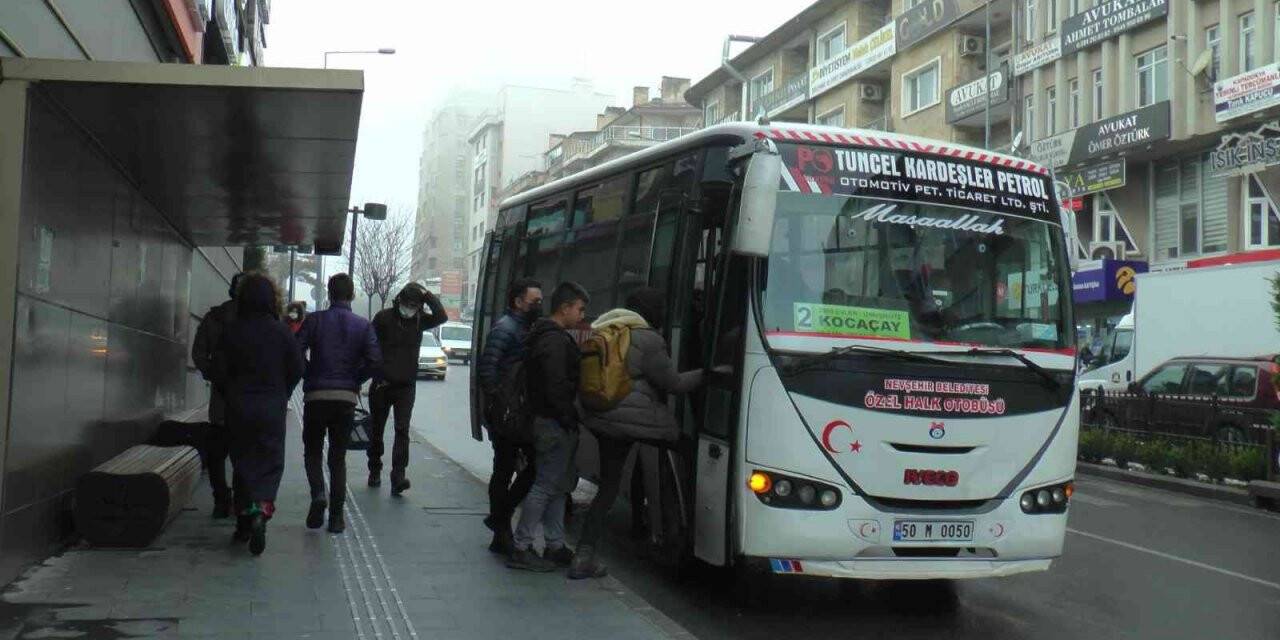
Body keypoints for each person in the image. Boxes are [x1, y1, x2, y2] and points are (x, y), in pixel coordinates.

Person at [570, 287, 705, 579]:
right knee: (687, 448)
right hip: (635, 421)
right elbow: (674, 384)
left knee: (608, 487)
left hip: (602, 418)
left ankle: (584, 553)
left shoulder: (606, 330)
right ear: (651, 310)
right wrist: (709, 373)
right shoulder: (649, 339)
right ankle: (686, 524)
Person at [212, 274, 304, 555]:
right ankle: (262, 508)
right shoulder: (281, 332)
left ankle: (242, 521)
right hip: (271, 407)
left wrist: (231, 393)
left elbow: (219, 370)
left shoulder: (231, 331)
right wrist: (283, 393)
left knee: (242, 461)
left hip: (239, 406)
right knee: (270, 459)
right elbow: (298, 368)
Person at [507, 282, 588, 572]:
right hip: (553, 423)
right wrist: (568, 417)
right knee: (545, 487)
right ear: (565, 307)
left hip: (549, 420)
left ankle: (554, 545)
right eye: (580, 309)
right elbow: (556, 387)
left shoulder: (545, 336)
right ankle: (522, 546)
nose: (582, 315)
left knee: (555, 488)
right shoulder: (554, 341)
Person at [296, 273, 381, 533]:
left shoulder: (314, 320)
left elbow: (295, 349)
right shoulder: (363, 325)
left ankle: (318, 494)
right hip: (345, 399)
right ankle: (336, 518)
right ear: (352, 295)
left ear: (329, 294)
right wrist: (355, 379)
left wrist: (309, 372)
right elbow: (375, 361)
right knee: (337, 457)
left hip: (316, 396)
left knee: (312, 451)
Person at [367, 282, 448, 495]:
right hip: (382, 385)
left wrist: (428, 295)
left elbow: (442, 316)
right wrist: (374, 373)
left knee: (402, 430)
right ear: (399, 301)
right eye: (407, 304)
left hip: (406, 386)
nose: (409, 309)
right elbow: (369, 347)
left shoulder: (419, 321)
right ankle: (374, 469)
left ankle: (398, 476)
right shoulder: (383, 318)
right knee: (377, 429)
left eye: (414, 305)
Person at [191, 272, 246, 519]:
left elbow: (199, 353)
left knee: (217, 452)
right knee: (242, 453)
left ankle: (221, 499)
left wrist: (212, 374)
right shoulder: (258, 321)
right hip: (248, 399)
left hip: (221, 398)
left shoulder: (215, 318)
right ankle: (240, 500)